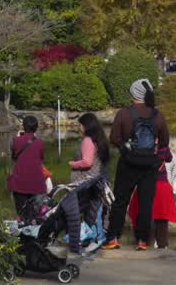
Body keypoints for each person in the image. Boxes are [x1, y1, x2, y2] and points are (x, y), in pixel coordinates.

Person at [102, 78, 169, 251]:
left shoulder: (124, 113)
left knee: (120, 201)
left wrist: (126, 146)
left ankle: (113, 238)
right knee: (146, 203)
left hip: (128, 163)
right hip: (150, 165)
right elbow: (164, 142)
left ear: (134, 93)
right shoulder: (157, 115)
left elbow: (114, 138)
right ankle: (142, 240)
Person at [127, 143, 176, 249]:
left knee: (144, 212)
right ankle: (162, 243)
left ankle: (144, 240)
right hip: (163, 185)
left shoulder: (142, 147)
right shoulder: (164, 149)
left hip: (146, 183)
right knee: (162, 216)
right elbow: (169, 158)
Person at [70, 112, 110, 248]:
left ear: (86, 126)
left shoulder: (88, 140)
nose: (79, 128)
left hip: (89, 182)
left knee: (91, 212)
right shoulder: (100, 139)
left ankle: (95, 238)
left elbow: (87, 162)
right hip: (99, 180)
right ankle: (97, 236)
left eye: (80, 125)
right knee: (97, 211)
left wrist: (73, 164)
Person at [8, 115, 47, 219]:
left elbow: (13, 158)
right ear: (36, 127)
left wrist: (18, 137)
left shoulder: (15, 140)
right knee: (37, 215)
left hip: (19, 183)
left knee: (22, 215)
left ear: (23, 127)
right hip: (37, 183)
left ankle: (23, 232)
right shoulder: (40, 142)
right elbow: (41, 157)